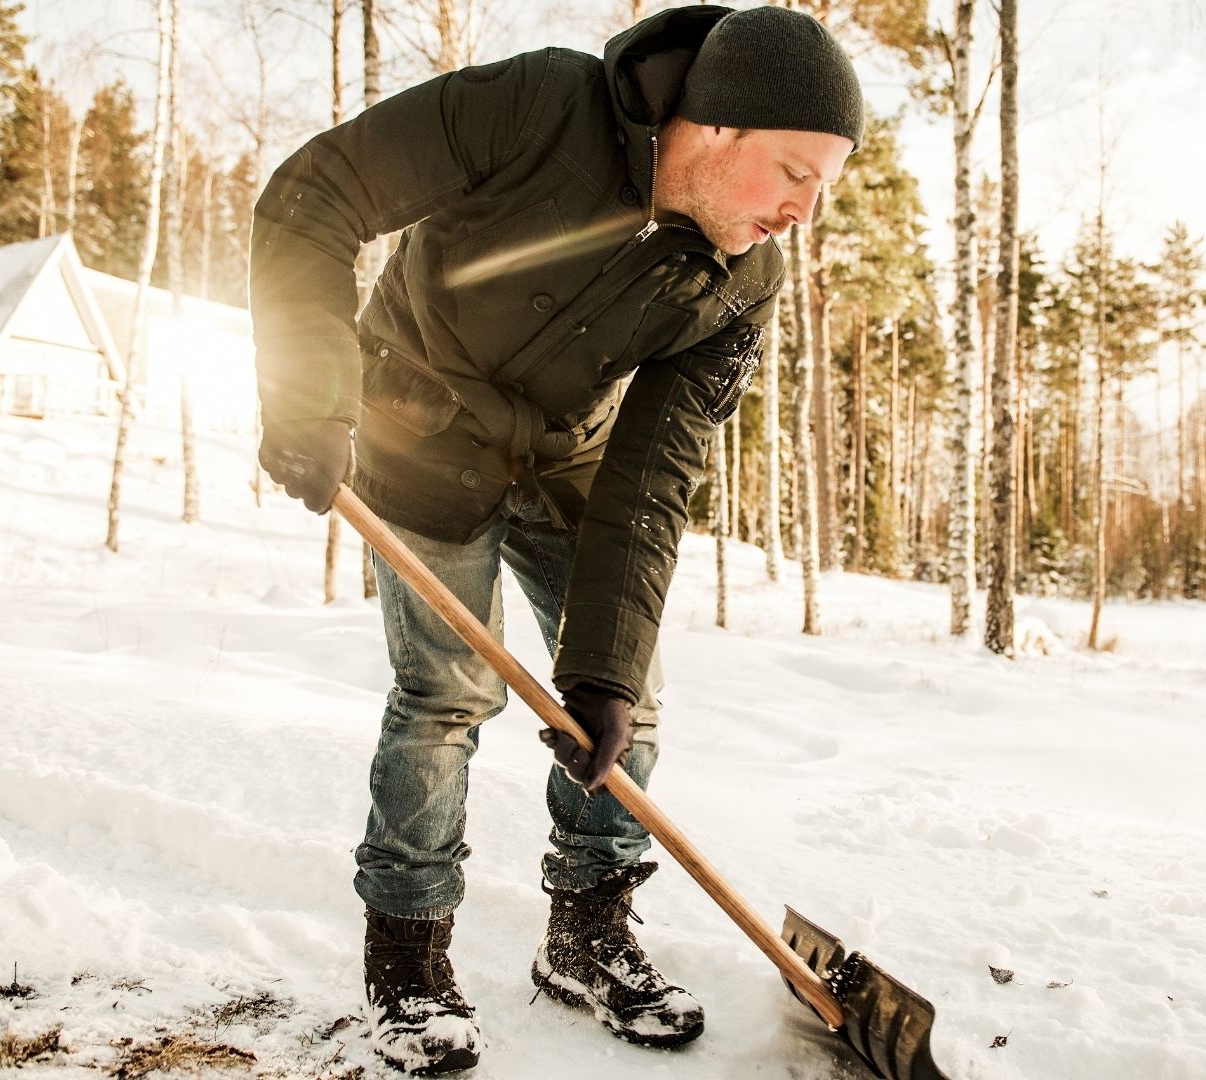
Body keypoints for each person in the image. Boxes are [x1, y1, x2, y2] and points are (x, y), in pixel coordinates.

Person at [248, 5, 860, 1074]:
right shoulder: (540, 108)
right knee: (446, 696)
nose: (807, 211)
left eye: (827, 184)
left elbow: (657, 468)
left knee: (631, 700)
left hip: (563, 454)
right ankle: (409, 956)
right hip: (415, 428)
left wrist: (602, 672)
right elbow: (317, 192)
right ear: (717, 127)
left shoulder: (740, 280)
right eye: (796, 171)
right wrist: (311, 397)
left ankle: (584, 934)